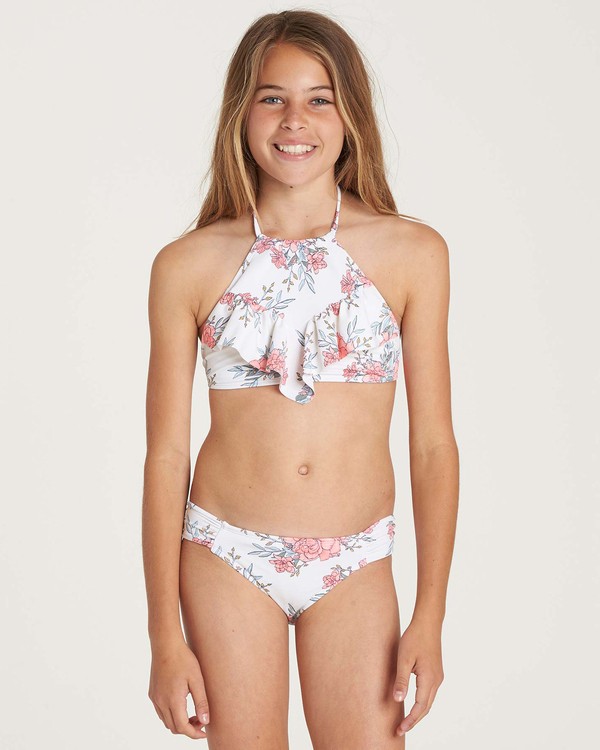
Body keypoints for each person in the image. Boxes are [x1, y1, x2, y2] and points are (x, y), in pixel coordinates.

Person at [142, 9, 459, 748]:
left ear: (350, 115)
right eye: (272, 97)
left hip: (355, 561)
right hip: (226, 554)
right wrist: (164, 636)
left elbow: (433, 447)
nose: (295, 120)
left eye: (320, 98)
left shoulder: (413, 254)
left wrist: (431, 615)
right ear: (242, 112)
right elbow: (165, 456)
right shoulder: (188, 264)